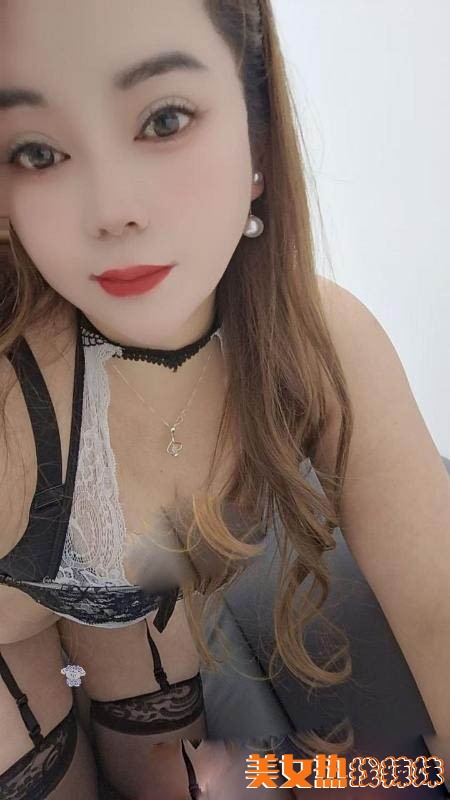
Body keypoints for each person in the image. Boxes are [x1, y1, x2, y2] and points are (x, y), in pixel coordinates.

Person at [1, 0, 449, 798]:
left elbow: (438, 612)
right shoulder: (14, 401)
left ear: (259, 140)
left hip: (130, 606)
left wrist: (353, 775)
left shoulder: (321, 346)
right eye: (38, 152)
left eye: (164, 120)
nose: (112, 210)